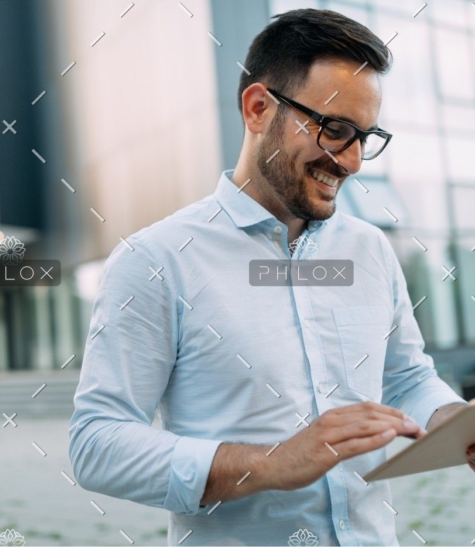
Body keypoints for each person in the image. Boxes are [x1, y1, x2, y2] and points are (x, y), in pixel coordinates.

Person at [68, 8, 474, 546]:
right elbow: (96, 444)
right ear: (259, 108)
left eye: (365, 136)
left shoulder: (368, 250)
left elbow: (404, 377)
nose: (351, 161)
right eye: (334, 130)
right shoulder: (157, 260)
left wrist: (456, 424)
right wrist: (270, 464)